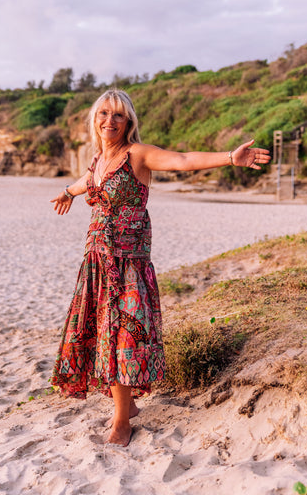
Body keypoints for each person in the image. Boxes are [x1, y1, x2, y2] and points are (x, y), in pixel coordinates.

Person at [50, 89, 271, 446]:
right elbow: (85, 182)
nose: (110, 121)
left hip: (128, 264)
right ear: (95, 118)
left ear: (129, 122)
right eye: (104, 113)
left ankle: (121, 420)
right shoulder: (97, 161)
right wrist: (67, 191)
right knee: (104, 334)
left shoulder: (137, 155)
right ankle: (129, 406)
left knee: (122, 337)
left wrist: (231, 157)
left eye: (119, 115)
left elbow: (183, 159)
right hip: (96, 261)